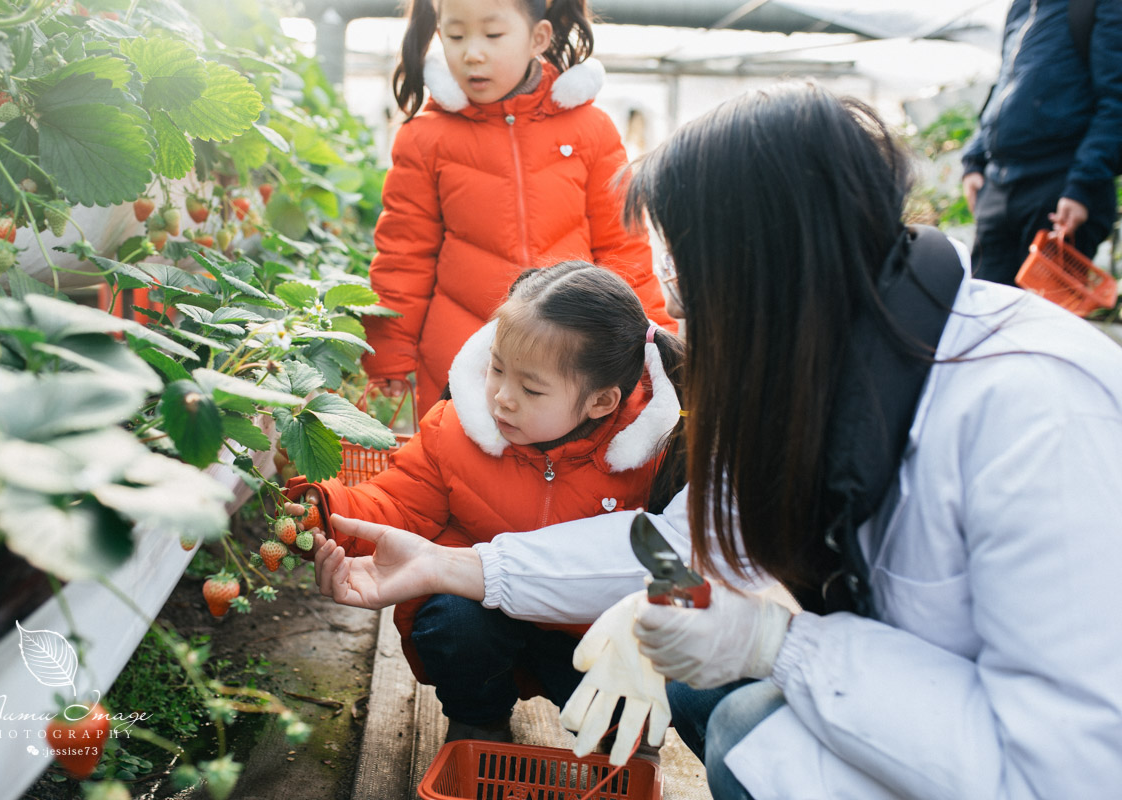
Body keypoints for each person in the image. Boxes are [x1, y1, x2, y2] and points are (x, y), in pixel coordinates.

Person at [314, 82, 1122, 798]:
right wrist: (446, 564)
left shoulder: (1036, 410)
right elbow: (683, 544)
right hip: (926, 719)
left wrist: (786, 646)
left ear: (770, 273)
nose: (680, 328)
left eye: (690, 295)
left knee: (743, 721)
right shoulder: (827, 364)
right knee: (732, 713)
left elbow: (1070, 766)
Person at [289, 261, 684, 743]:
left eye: (531, 388)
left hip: (588, 634)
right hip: (482, 613)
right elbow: (397, 502)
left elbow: (674, 567)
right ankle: (479, 720)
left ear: (601, 402)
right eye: (497, 369)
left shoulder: (653, 455)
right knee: (451, 620)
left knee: (635, 688)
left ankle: (624, 734)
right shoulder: (455, 431)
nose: (502, 398)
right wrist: (324, 513)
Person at [362, 0, 672, 412]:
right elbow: (404, 257)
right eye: (454, 36)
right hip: (462, 361)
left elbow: (624, 248)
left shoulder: (591, 130)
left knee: (569, 470)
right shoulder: (424, 138)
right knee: (461, 467)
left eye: (492, 35)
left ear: (537, 38)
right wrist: (389, 359)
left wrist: (656, 346)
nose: (472, 52)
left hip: (571, 360)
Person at [961, 0, 1122, 285]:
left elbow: (1116, 100)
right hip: (1000, 186)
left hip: (1058, 187)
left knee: (1040, 316)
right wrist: (974, 158)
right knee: (982, 309)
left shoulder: (1099, 5)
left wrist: (1082, 188)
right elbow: (1006, 83)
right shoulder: (1022, 7)